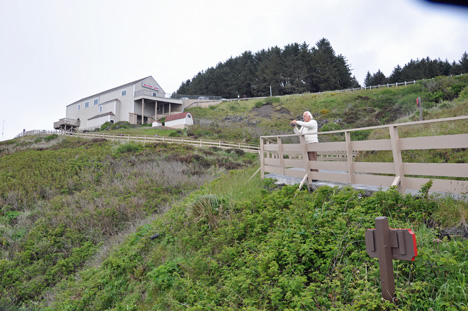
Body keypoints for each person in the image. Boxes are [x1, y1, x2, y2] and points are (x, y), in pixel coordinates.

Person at [290, 111, 319, 175]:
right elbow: (299, 133)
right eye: (303, 116)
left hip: (312, 143)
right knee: (307, 160)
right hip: (305, 144)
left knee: (312, 159)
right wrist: (295, 127)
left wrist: (296, 122)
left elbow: (309, 125)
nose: (303, 118)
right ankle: (308, 175)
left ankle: (315, 175)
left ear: (309, 116)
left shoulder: (313, 122)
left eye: (304, 116)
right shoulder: (303, 125)